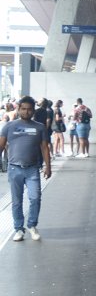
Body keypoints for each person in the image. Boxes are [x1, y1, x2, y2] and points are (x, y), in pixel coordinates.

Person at [0, 96, 52, 241]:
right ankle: (18, 229)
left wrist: (48, 167)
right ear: (18, 109)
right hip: (14, 169)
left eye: (29, 109)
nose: (26, 112)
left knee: (35, 198)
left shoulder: (39, 127)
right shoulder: (9, 126)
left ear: (33, 111)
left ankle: (32, 225)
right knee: (17, 201)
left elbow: (44, 148)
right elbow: (1, 145)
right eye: (23, 109)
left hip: (32, 169)